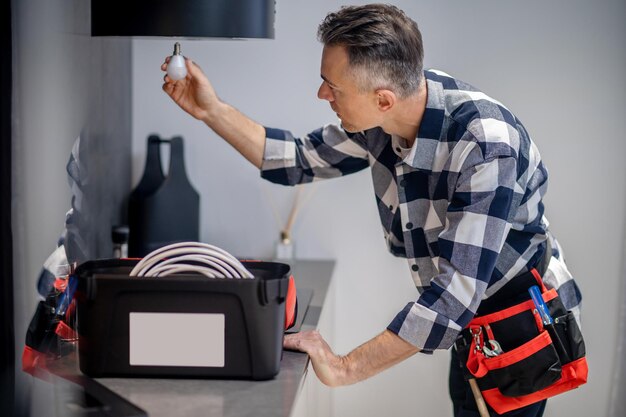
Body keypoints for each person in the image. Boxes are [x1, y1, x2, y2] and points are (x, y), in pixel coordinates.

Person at [161, 4, 581, 416]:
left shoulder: (486, 147)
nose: (322, 93)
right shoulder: (392, 112)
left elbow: (455, 296)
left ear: (383, 99)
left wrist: (345, 368)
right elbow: (295, 159)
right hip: (466, 325)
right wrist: (211, 111)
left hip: (517, 321)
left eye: (333, 87)